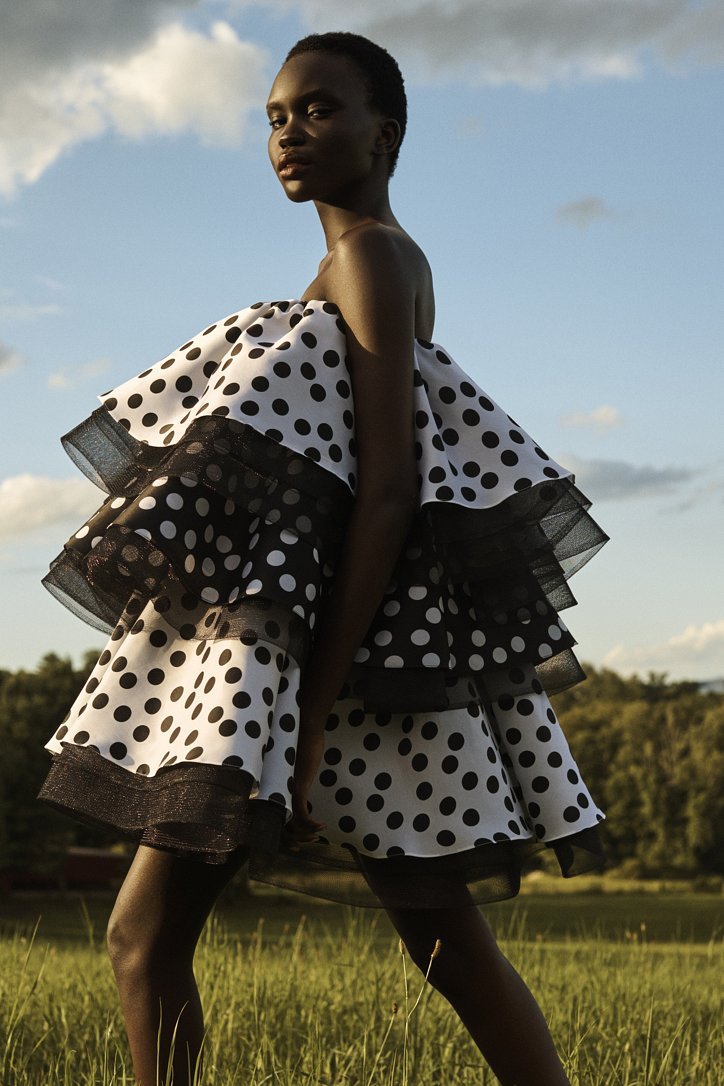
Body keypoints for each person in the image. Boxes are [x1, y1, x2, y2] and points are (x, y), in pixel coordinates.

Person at [37, 31, 608, 1086]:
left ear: (384, 133)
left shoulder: (372, 257)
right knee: (431, 944)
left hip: (330, 665)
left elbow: (390, 487)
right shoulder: (356, 263)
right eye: (274, 117)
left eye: (317, 109)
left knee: (154, 939)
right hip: (334, 656)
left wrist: (301, 716)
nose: (288, 134)